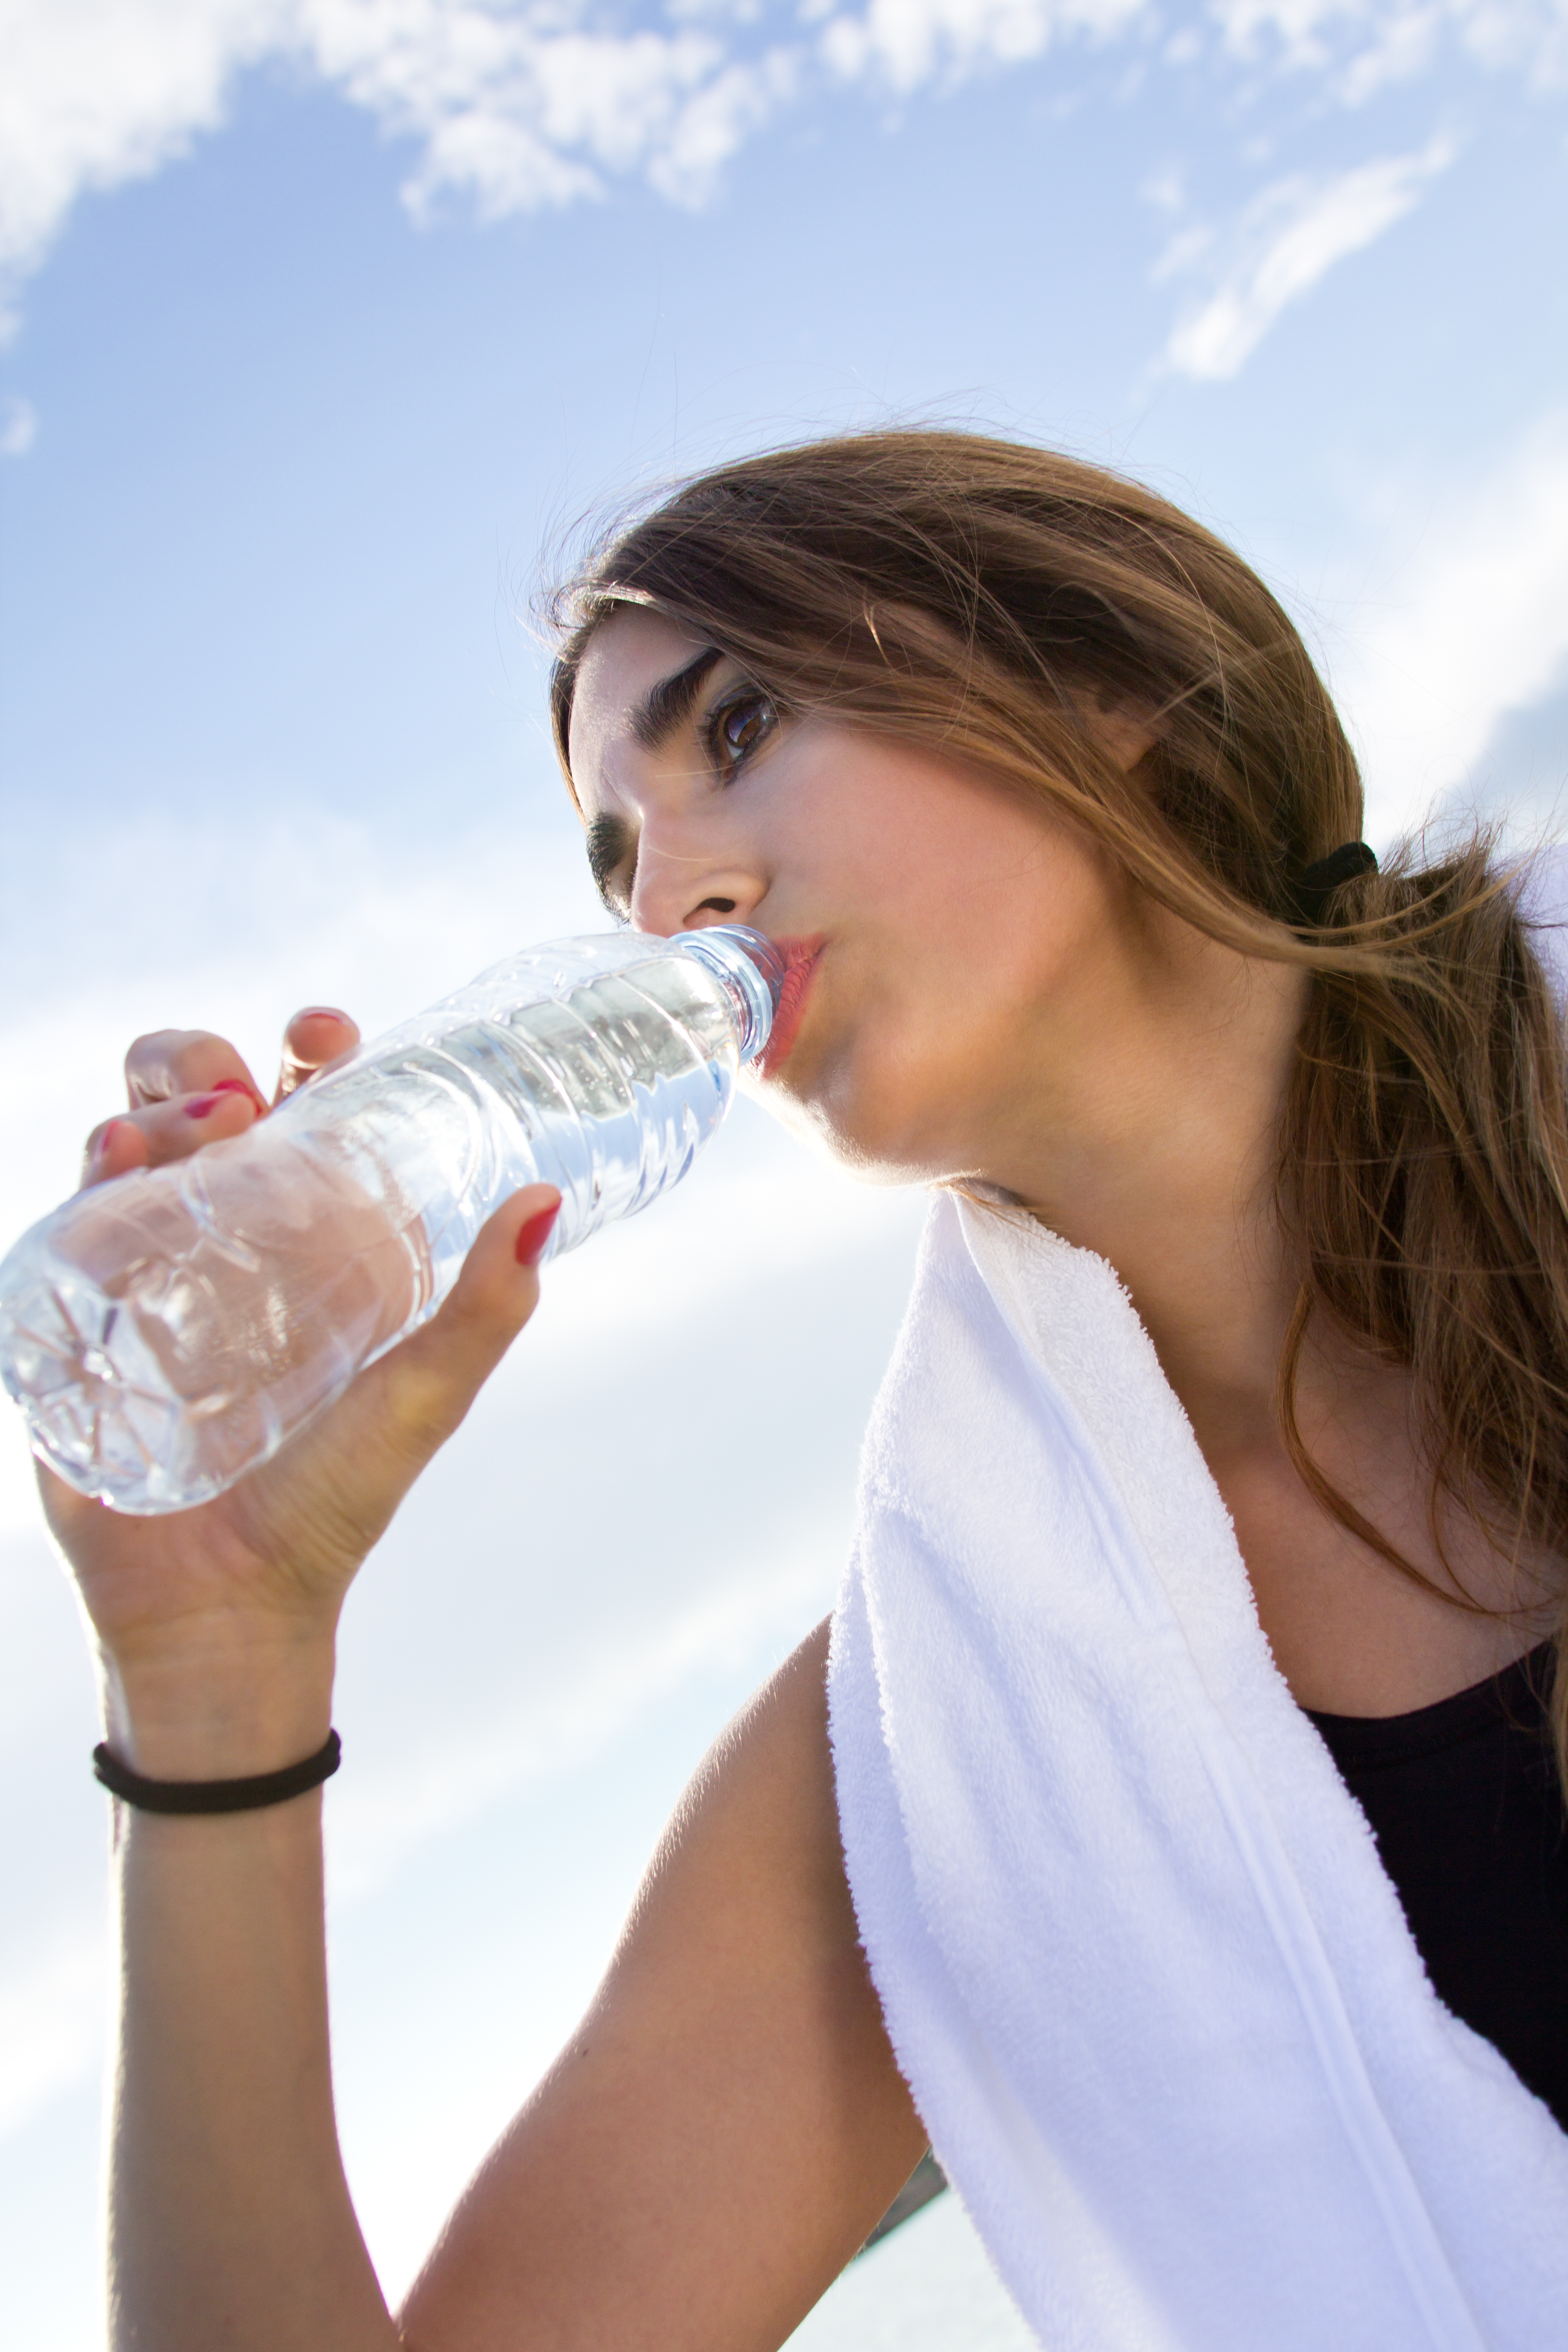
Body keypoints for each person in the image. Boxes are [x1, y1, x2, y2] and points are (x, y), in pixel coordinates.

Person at [49, 431, 1568, 2350]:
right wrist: (212, 1677)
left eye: (741, 726)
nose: (671, 892)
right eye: (618, 863)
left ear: (1107, 686)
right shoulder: (931, 1753)